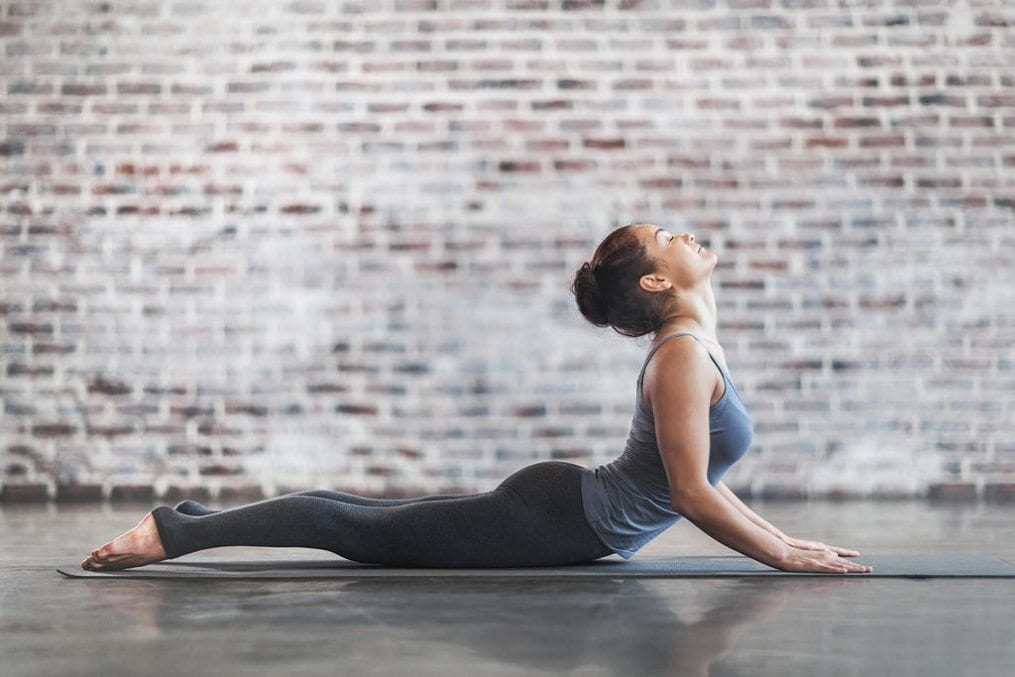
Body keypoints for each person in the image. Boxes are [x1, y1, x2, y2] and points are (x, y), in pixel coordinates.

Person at [82, 223, 871, 574]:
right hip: (559, 515)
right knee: (363, 532)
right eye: (669, 235)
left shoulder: (692, 352)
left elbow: (698, 480)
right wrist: (778, 555)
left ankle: (183, 521)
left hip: (565, 510)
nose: (687, 234)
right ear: (658, 281)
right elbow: (692, 493)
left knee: (367, 520)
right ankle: (171, 534)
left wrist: (790, 540)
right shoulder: (680, 361)